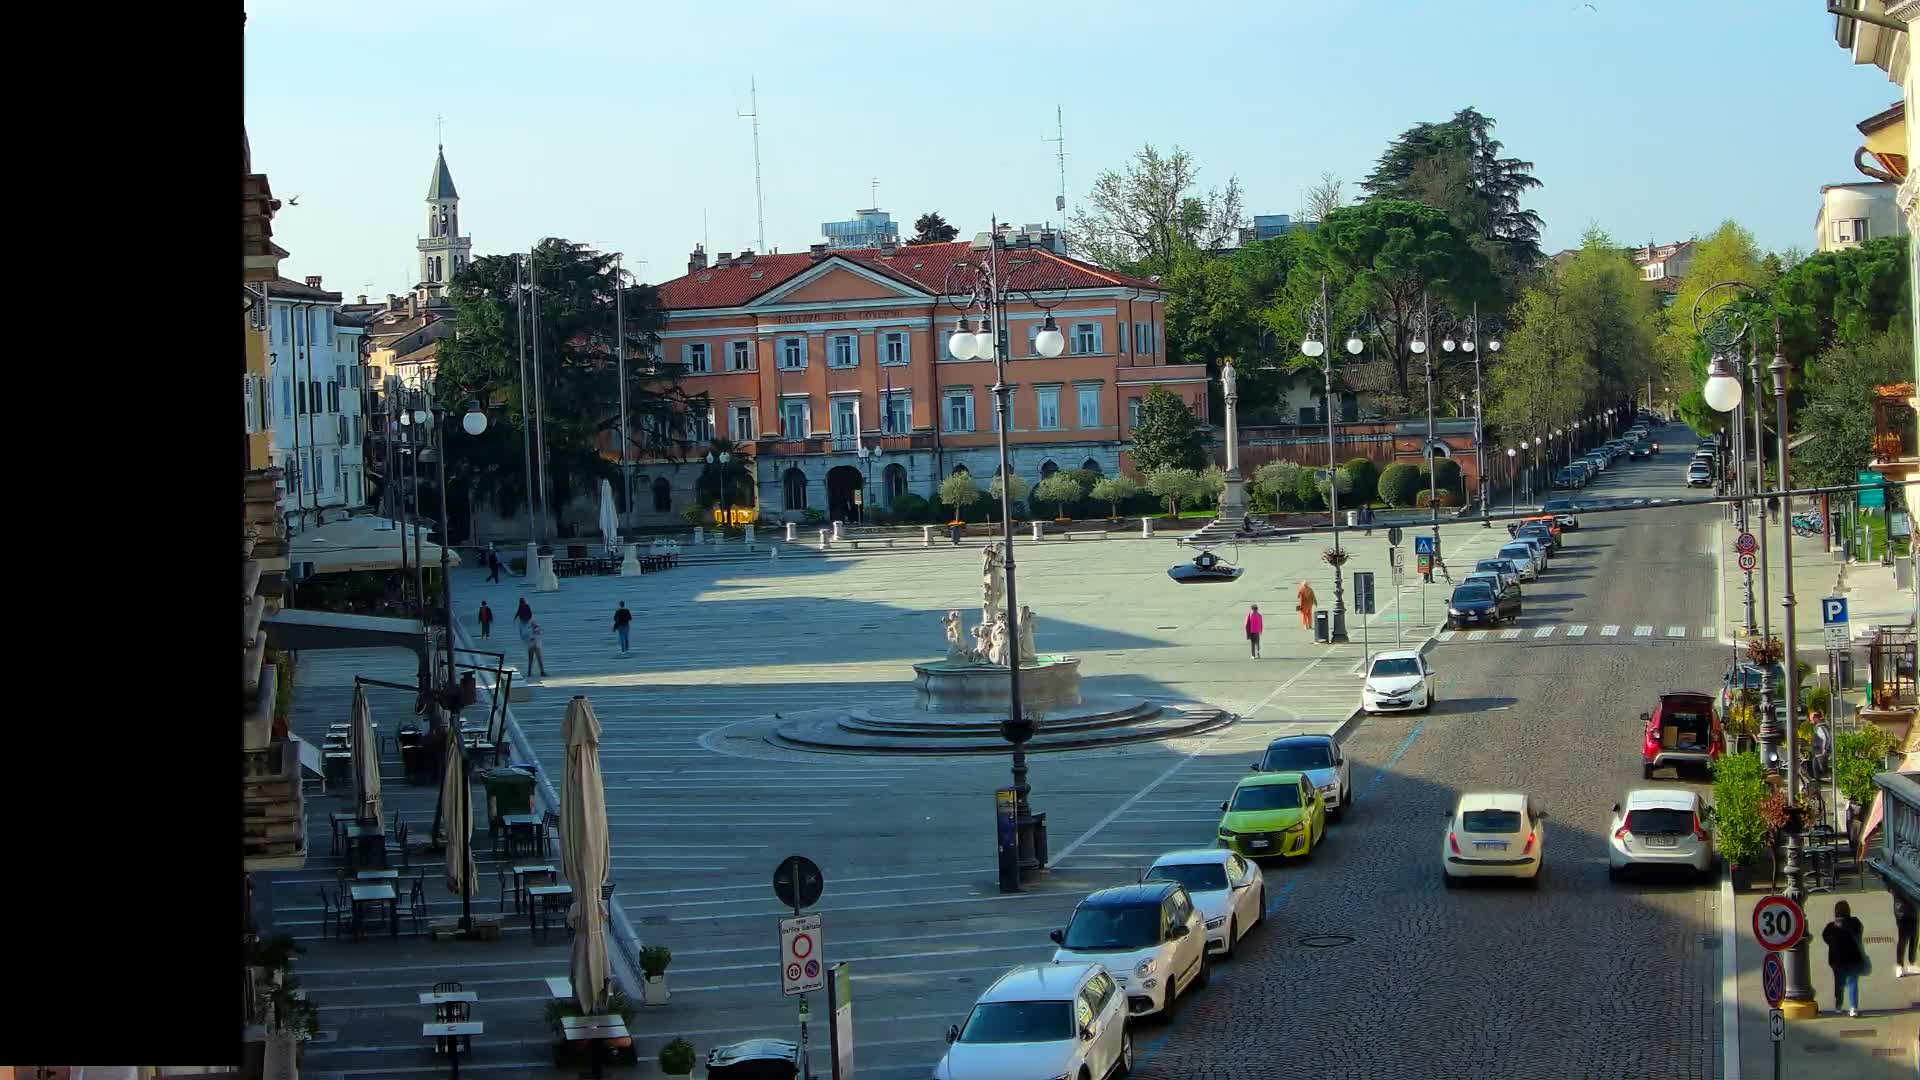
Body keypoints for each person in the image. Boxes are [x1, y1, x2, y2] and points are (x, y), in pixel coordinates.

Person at [1822, 899, 1868, 1017]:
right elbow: (1859, 932)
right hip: (1853, 958)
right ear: (1848, 911)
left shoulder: (1830, 927)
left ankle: (1838, 1005)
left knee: (1839, 983)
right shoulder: (1855, 922)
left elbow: (1825, 938)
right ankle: (1853, 1008)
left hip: (1836, 960)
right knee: (1852, 982)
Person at [1895, 888, 1916, 979]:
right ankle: (1900, 966)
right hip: (1904, 913)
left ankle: (1911, 964)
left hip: (1911, 912)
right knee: (1904, 940)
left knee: (1913, 939)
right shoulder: (1899, 881)